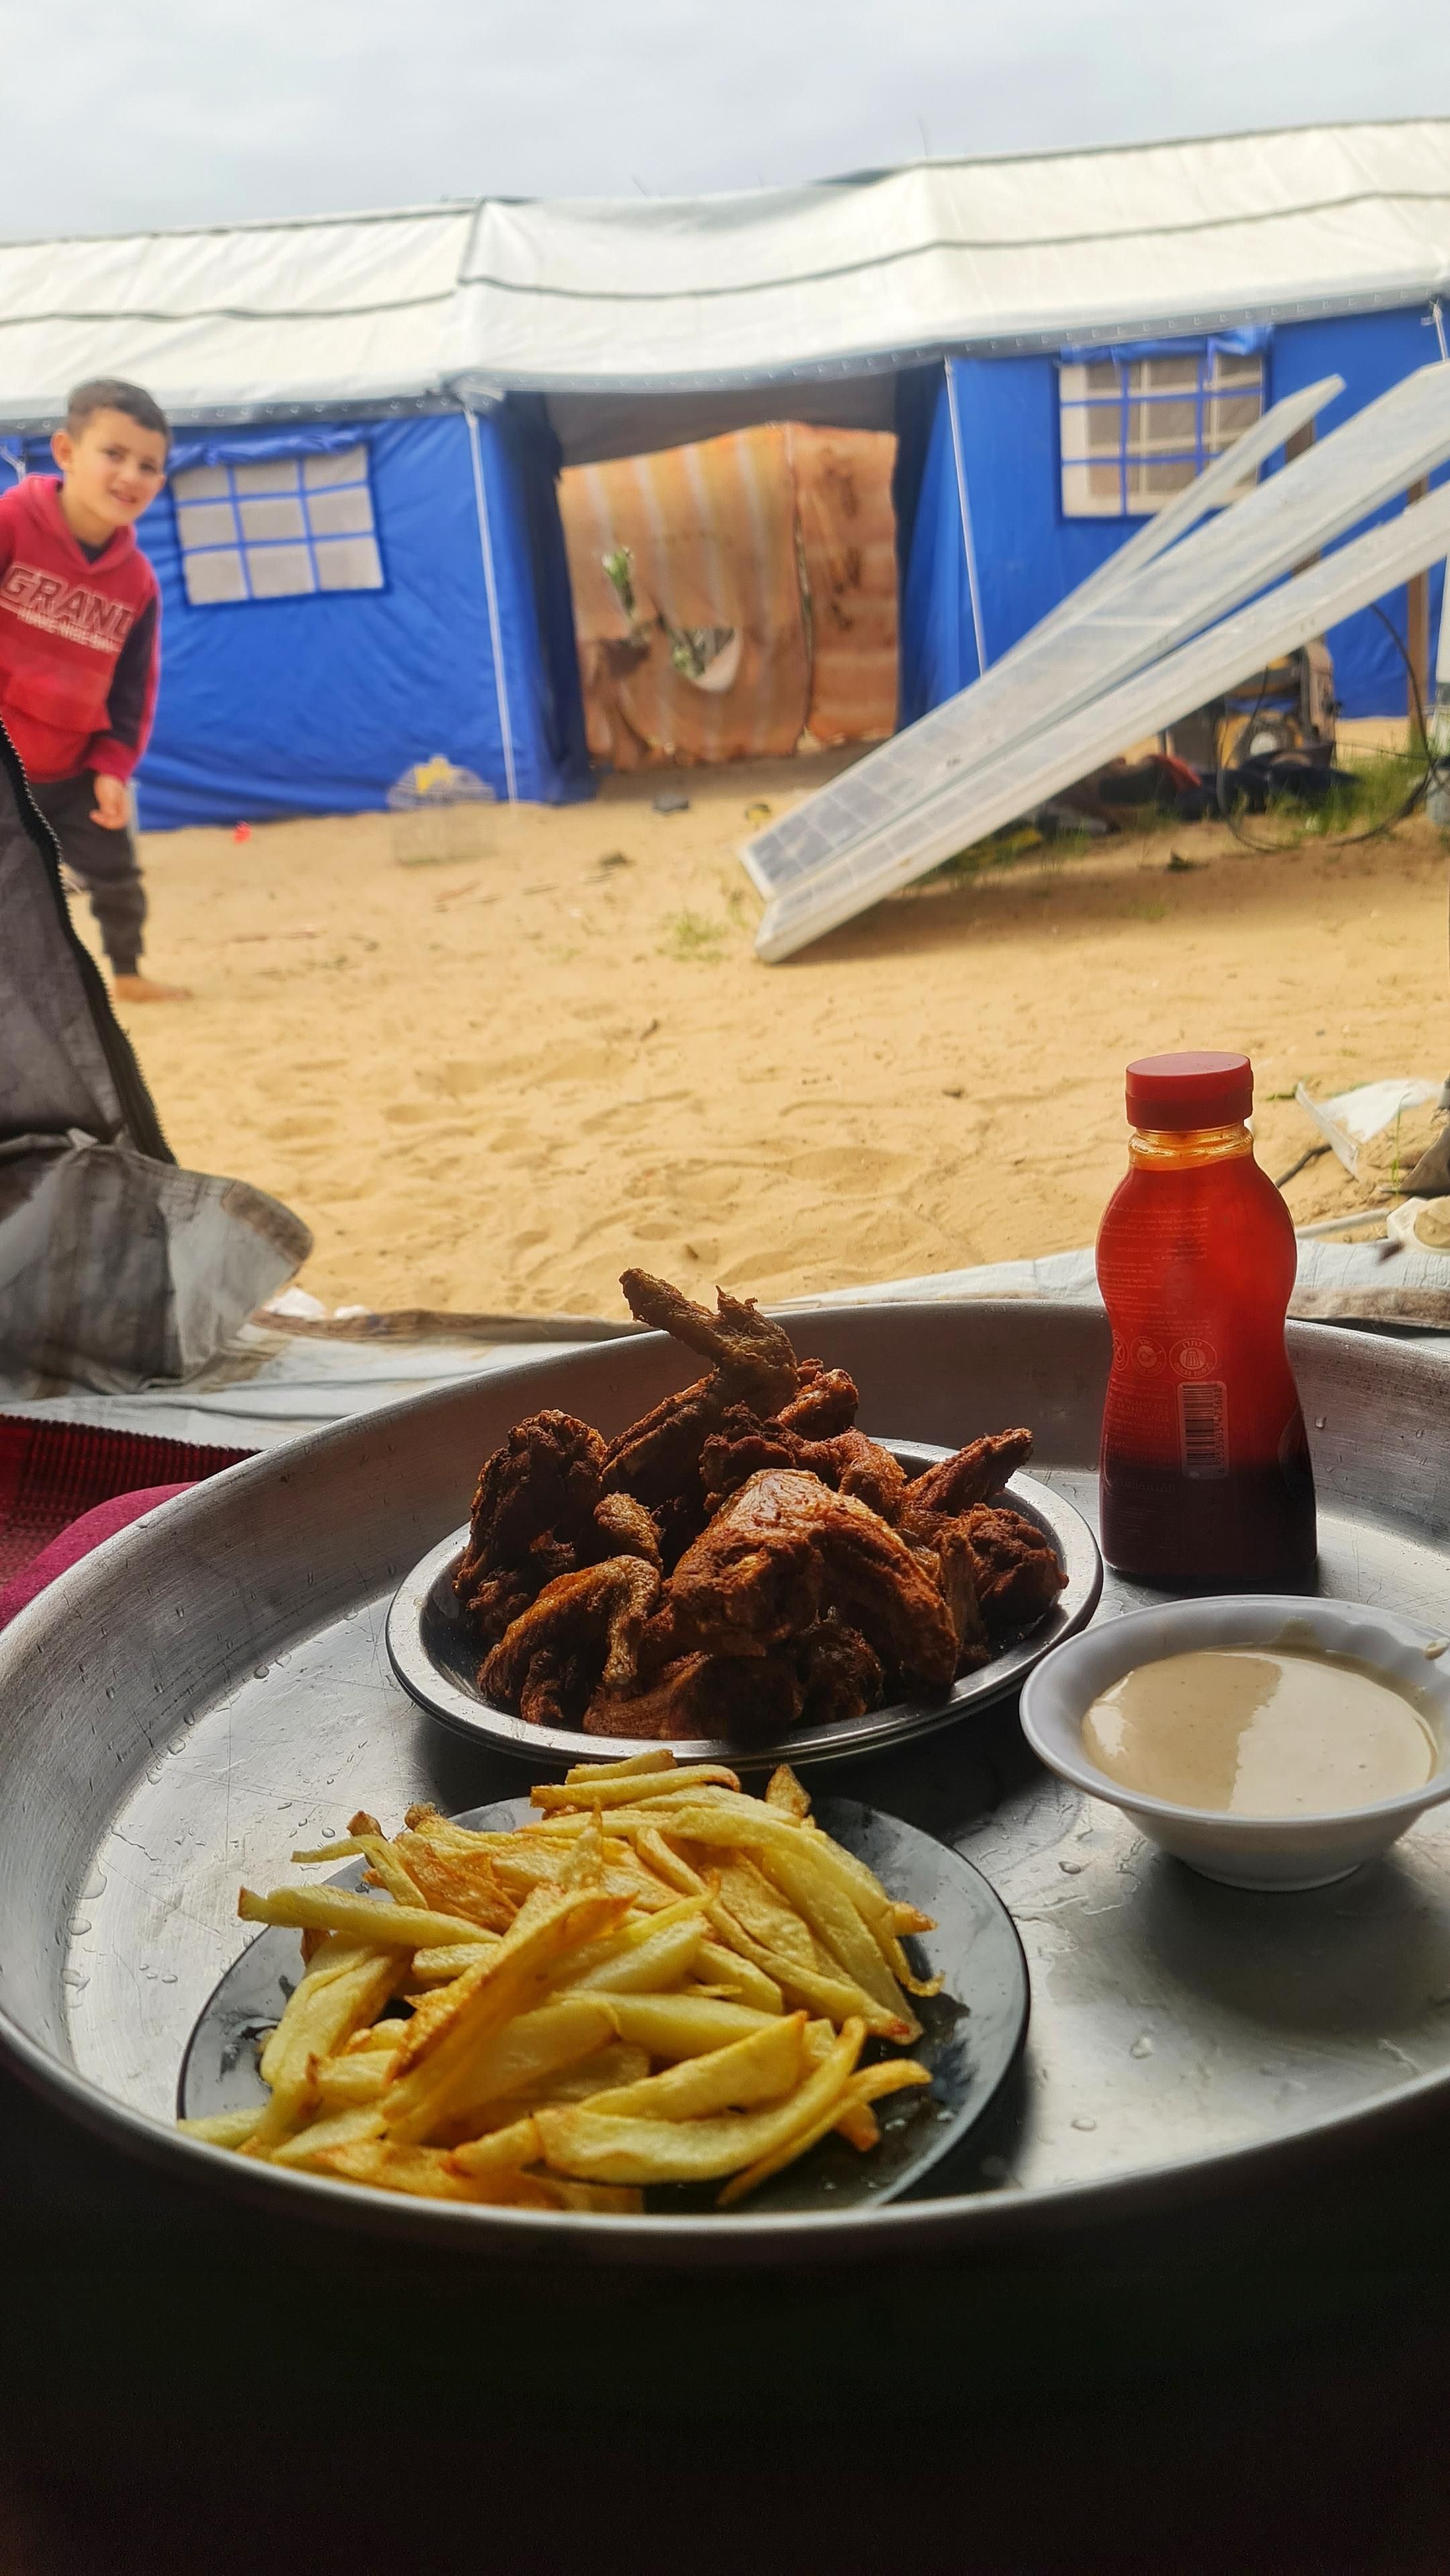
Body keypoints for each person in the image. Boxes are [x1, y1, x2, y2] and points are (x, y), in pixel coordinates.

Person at [0, 376, 187, 1003]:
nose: (131, 475)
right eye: (114, 453)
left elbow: (133, 691)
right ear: (66, 451)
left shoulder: (138, 582)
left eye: (149, 466)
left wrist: (112, 765)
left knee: (115, 873)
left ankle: (128, 973)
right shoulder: (9, 525)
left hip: (73, 767)